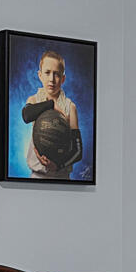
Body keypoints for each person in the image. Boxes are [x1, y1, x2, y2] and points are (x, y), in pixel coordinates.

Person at [21, 48, 82, 178]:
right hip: (37, 176)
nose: (52, 79)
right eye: (47, 73)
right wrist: (51, 104)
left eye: (57, 74)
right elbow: (26, 115)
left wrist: (58, 166)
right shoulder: (34, 100)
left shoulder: (70, 107)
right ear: (40, 75)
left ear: (63, 78)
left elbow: (78, 151)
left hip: (62, 176)